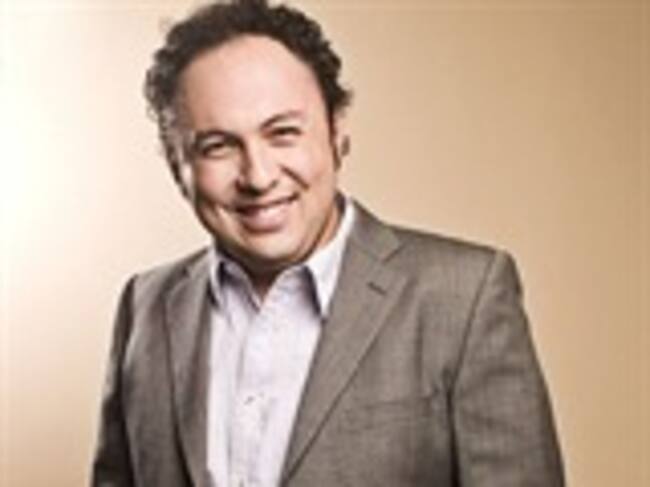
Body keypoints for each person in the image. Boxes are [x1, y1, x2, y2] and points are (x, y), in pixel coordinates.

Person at [91, 0, 565, 486]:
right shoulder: (143, 306)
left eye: (283, 133)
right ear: (177, 166)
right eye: (218, 146)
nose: (258, 176)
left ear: (337, 132)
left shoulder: (463, 298)